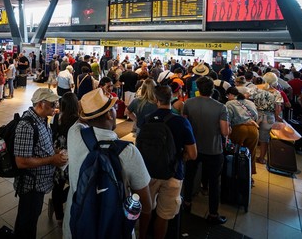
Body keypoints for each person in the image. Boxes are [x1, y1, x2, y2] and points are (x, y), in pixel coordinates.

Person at [63, 88, 153, 239]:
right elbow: (146, 205)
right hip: (114, 229)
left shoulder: (74, 134)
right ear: (109, 115)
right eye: (113, 108)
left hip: (77, 225)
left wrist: (88, 109)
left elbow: (80, 120)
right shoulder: (128, 152)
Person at [139, 85, 196, 239]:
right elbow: (193, 154)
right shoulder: (181, 122)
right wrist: (182, 155)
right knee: (164, 214)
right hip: (173, 173)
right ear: (172, 98)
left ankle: (142, 236)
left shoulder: (147, 119)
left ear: (156, 100)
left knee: (145, 209)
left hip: (148, 172)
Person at [13, 88, 68, 238]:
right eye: (52, 103)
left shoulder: (42, 120)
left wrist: (55, 152)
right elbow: (21, 162)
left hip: (40, 183)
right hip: (31, 185)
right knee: (27, 223)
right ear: (42, 104)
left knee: (31, 219)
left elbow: (42, 146)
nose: (55, 106)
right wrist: (52, 159)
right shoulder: (27, 126)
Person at [182, 76, 230, 225]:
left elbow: (185, 125)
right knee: (214, 182)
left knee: (189, 176)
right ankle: (213, 214)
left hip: (193, 147)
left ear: (198, 89)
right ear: (212, 90)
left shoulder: (188, 103)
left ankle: (187, 204)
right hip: (213, 150)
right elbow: (224, 132)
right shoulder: (221, 107)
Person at [48, 92, 80, 225]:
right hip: (73, 158)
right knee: (75, 185)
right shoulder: (78, 121)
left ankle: (59, 215)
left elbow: (52, 135)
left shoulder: (56, 118)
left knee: (57, 185)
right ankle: (59, 202)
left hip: (58, 156)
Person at [225, 87, 259, 179]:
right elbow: (256, 116)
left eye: (227, 95)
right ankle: (249, 176)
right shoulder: (250, 102)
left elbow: (228, 119)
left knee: (235, 151)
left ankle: (235, 173)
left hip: (239, 129)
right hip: (254, 129)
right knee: (251, 153)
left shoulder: (229, 103)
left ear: (231, 95)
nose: (227, 97)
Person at [252, 73, 283, 163]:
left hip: (256, 114)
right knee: (264, 139)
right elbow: (278, 108)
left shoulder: (256, 88)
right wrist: (277, 117)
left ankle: (249, 155)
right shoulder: (277, 93)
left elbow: (246, 97)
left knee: (252, 136)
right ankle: (261, 158)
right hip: (269, 116)